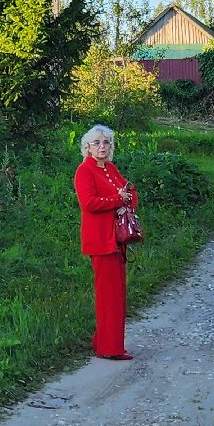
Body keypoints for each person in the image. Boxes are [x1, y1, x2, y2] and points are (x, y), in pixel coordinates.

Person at [74, 124, 137, 360]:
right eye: (97, 143)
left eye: (106, 142)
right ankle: (110, 349)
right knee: (109, 295)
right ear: (87, 147)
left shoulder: (110, 168)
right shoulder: (85, 171)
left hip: (116, 239)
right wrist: (116, 201)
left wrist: (125, 203)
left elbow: (130, 192)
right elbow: (89, 203)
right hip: (100, 240)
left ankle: (102, 340)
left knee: (117, 293)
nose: (102, 147)